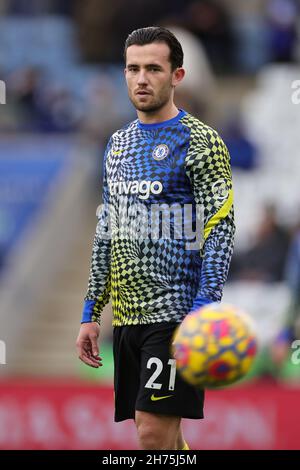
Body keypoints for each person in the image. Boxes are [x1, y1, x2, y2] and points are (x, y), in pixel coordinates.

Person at [76, 26, 235, 450]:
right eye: (132, 68)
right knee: (161, 436)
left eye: (153, 68)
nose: (141, 78)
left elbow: (220, 226)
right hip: (128, 316)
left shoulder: (201, 141)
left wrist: (203, 308)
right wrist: (92, 309)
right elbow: (107, 228)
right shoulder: (118, 145)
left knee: (152, 431)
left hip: (176, 314)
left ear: (177, 76)